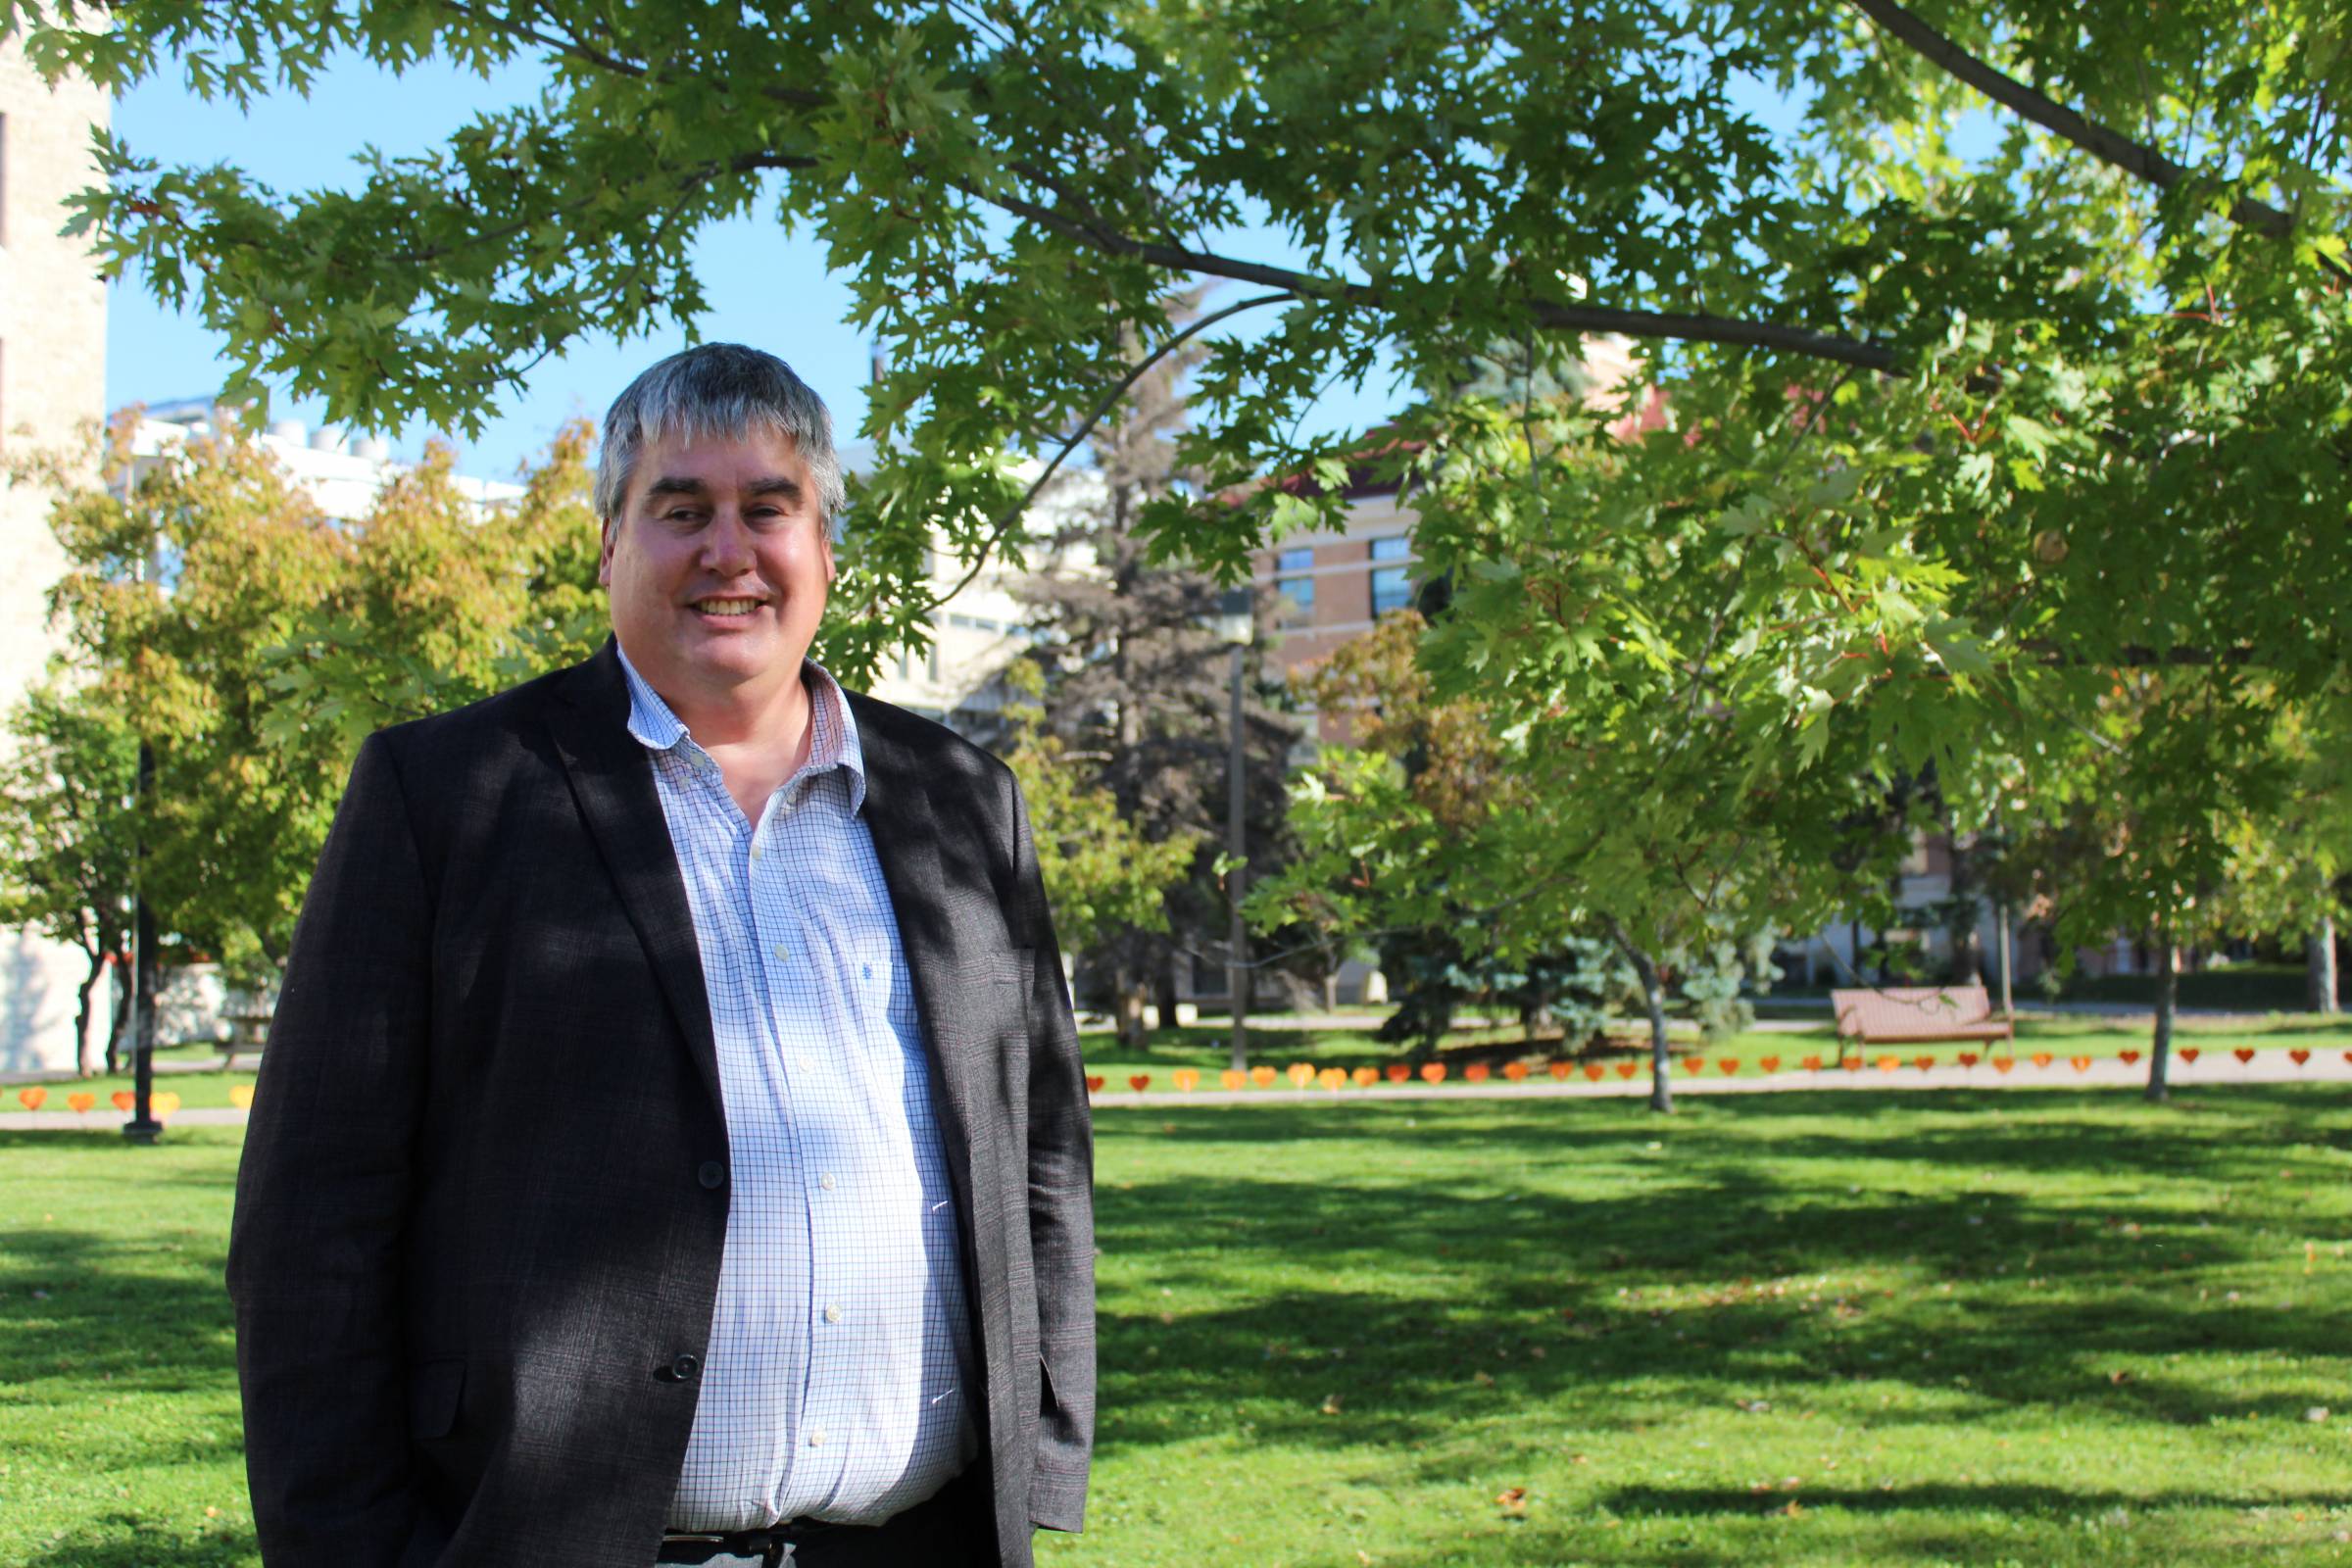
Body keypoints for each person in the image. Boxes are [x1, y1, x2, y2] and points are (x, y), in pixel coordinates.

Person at [227, 344, 1095, 1568]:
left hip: (926, 1540)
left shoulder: (963, 801)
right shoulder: (448, 796)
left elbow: (1041, 1145)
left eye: (768, 509)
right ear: (609, 548)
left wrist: (1044, 1444)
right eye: (680, 510)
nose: (727, 552)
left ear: (826, 549)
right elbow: (314, 1215)